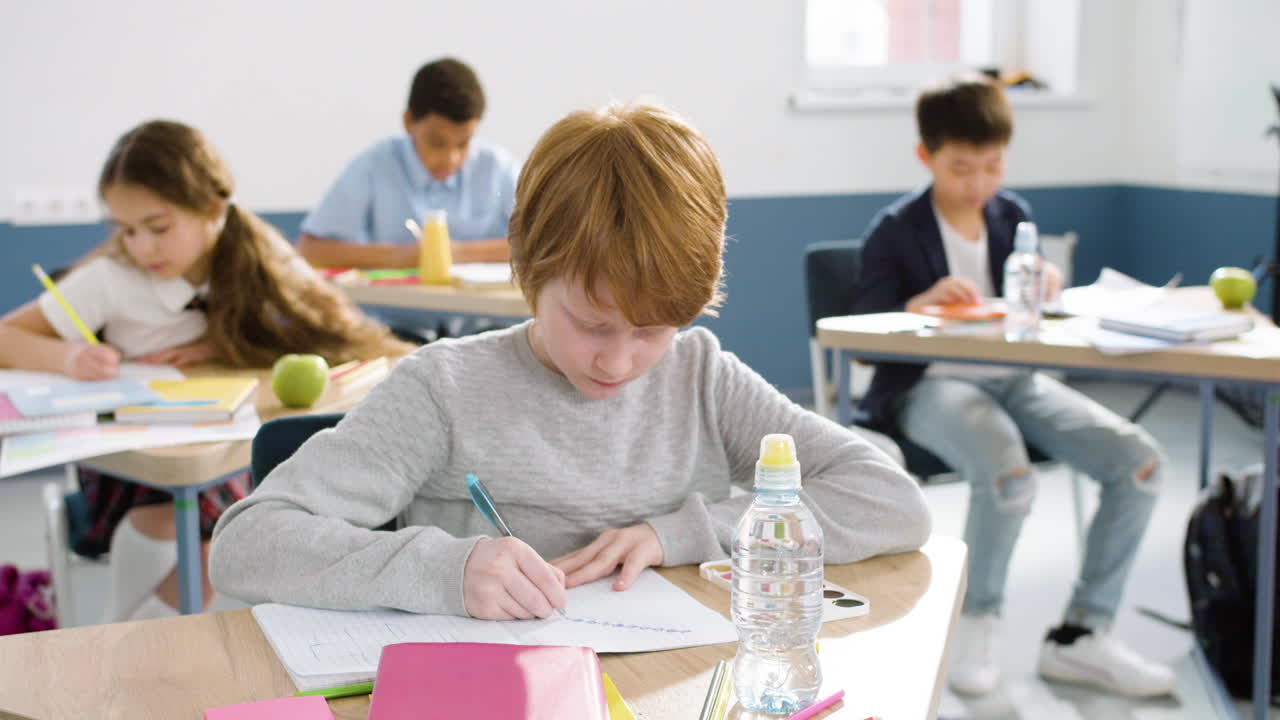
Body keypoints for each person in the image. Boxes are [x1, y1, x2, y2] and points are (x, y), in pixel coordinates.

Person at [210, 102, 931, 621]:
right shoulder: (445, 388)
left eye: (654, 329)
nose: (619, 362)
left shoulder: (701, 376)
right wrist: (442, 569)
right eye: (591, 323)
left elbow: (890, 501)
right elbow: (246, 543)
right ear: (527, 265)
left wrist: (675, 533)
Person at [0, 120, 410, 622]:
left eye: (158, 227)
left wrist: (227, 339)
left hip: (220, 448)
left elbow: (333, 325)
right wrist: (67, 358)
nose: (141, 247)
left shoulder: (256, 254)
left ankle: (134, 636)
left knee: (241, 524)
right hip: (136, 461)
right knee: (187, 527)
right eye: (126, 230)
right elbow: (6, 336)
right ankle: (127, 633)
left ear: (212, 210)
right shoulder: (110, 279)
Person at [851, 75, 1174, 698]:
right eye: (961, 168)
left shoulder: (1013, 215)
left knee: (1140, 464)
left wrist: (1046, 283)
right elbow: (862, 335)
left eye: (992, 166)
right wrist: (920, 304)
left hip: (1016, 379)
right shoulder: (894, 229)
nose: (979, 183)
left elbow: (1027, 315)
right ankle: (978, 622)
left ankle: (1082, 636)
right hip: (929, 387)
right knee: (1009, 474)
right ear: (926, 158)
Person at [297, 57, 517, 270]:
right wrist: (399, 255)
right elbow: (309, 249)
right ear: (409, 121)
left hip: (477, 307)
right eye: (436, 143)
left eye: (463, 144)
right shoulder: (374, 165)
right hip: (396, 307)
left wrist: (453, 253)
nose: (451, 159)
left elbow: (546, 244)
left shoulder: (497, 167)